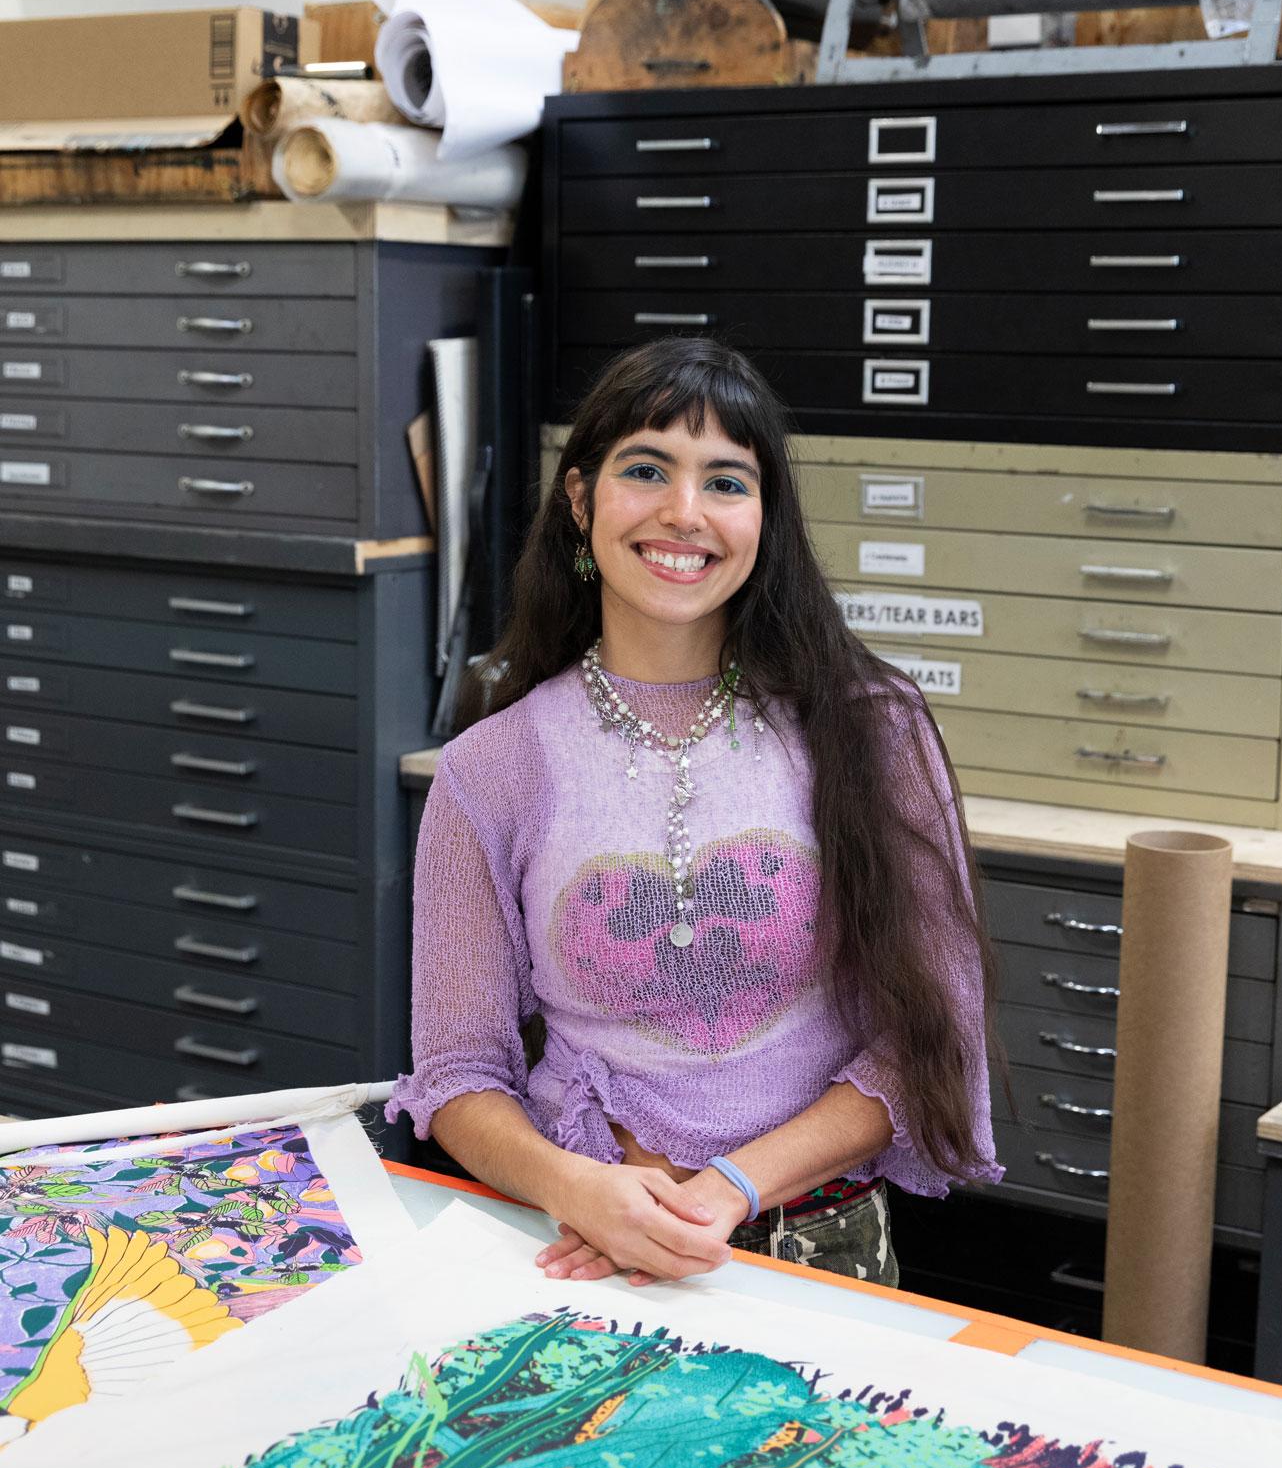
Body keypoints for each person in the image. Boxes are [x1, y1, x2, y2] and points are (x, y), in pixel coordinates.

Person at [390, 337, 1001, 1289]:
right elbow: (457, 1073)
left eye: (726, 481)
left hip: (815, 1248)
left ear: (763, 517)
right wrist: (577, 1190)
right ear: (581, 498)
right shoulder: (488, 768)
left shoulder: (867, 727)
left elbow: (934, 1033)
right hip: (572, 1244)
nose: (684, 513)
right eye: (646, 470)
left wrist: (727, 1188)